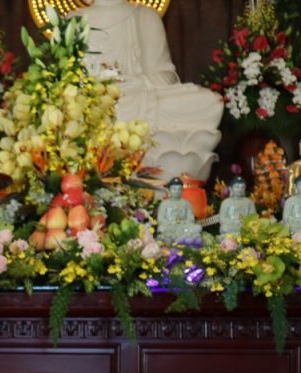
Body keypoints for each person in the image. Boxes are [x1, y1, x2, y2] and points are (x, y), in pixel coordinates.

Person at [74, 0, 223, 181]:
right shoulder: (74, 21)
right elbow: (68, 83)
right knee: (70, 114)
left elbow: (165, 76)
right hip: (97, 105)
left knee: (210, 102)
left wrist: (135, 82)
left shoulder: (145, 17)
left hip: (141, 95)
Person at [155, 177, 200, 242]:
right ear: (169, 190)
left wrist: (183, 223)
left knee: (197, 228)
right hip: (170, 227)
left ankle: (176, 237)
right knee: (162, 228)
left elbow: (191, 218)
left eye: (179, 189)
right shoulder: (164, 204)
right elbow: (160, 220)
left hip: (183, 226)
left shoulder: (187, 203)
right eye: (174, 189)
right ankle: (183, 237)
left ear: (182, 190)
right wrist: (171, 223)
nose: (177, 191)